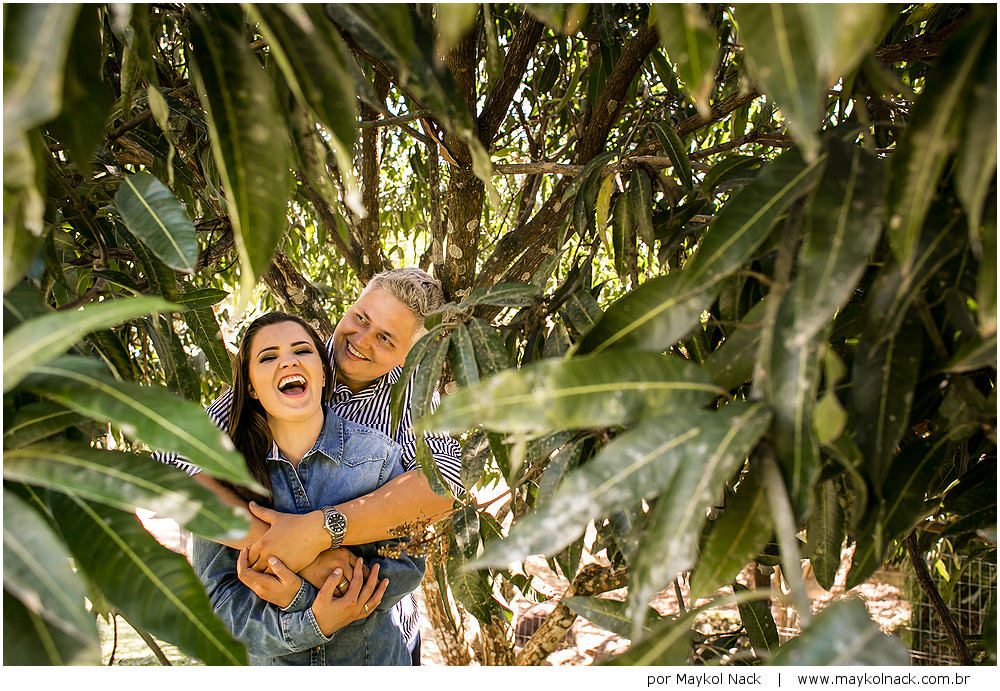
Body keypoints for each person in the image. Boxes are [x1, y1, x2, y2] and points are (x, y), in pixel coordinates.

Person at [157, 267, 462, 664]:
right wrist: (294, 554)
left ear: (410, 355)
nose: (361, 340)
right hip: (272, 635)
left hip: (373, 637)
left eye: (385, 338)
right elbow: (171, 465)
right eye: (360, 319)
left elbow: (444, 486)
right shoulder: (292, 361)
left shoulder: (410, 400)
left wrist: (321, 531)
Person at [193, 311, 425, 665]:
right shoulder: (225, 480)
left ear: (322, 373)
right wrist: (310, 618)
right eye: (268, 357)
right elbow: (219, 603)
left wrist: (300, 594)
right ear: (251, 385)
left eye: (301, 351)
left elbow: (408, 562)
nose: (287, 361)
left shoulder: (377, 455)